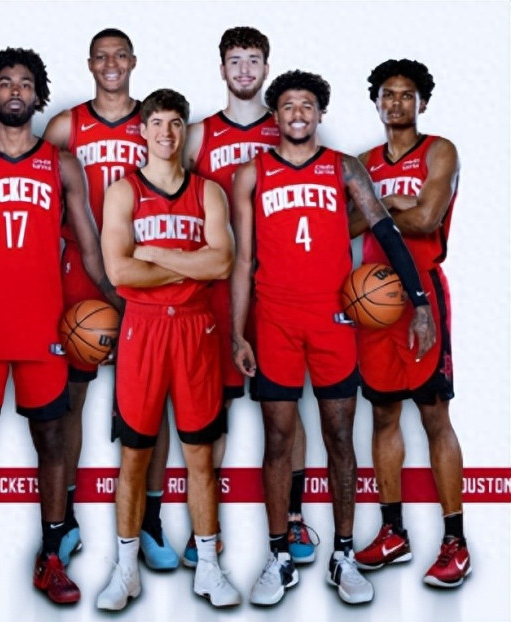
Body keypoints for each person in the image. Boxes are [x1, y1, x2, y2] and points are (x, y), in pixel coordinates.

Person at [231, 70, 436, 606]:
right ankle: (279, 554)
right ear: (275, 116)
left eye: (307, 105)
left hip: (333, 320)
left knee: (340, 436)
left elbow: (386, 229)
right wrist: (237, 332)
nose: (297, 113)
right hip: (275, 320)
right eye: (287, 105)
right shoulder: (252, 174)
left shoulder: (344, 168)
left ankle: (343, 553)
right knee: (278, 438)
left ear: (320, 113)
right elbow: (243, 261)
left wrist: (418, 302)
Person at [0, 48, 114, 606]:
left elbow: (89, 250)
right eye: (5, 83)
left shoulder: (61, 165)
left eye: (25, 83)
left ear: (38, 96)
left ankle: (52, 557)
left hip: (44, 331)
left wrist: (121, 304)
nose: (15, 90)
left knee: (53, 441)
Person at [97, 89, 241, 610]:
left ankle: (208, 568)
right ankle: (125, 570)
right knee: (134, 456)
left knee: (200, 455)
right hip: (144, 329)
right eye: (156, 123)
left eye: (175, 123)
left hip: (198, 331)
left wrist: (155, 252)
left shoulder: (209, 191)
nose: (166, 133)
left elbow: (222, 263)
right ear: (142, 130)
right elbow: (120, 271)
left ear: (185, 130)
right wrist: (189, 262)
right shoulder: (123, 192)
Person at [43, 28, 179, 571]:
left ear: (133, 61)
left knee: (151, 402)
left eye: (120, 55)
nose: (111, 64)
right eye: (101, 56)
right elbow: (41, 197)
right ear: (90, 64)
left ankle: (149, 519)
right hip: (80, 273)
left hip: (142, 271)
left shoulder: (154, 122)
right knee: (70, 402)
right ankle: (66, 517)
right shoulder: (65, 125)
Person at [183, 25, 317, 568]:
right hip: (216, 290)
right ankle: (205, 526)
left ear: (266, 67)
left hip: (277, 287)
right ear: (222, 69)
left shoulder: (285, 124)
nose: (244, 69)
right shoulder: (199, 134)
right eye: (235, 60)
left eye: (253, 60)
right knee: (210, 408)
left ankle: (294, 515)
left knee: (285, 408)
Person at [351, 59, 469, 588]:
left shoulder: (440, 151)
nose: (396, 102)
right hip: (374, 300)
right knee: (383, 416)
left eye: (406, 94)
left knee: (434, 415)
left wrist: (382, 207)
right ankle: (393, 531)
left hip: (424, 294)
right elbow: (344, 225)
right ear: (376, 101)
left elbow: (427, 217)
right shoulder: (362, 161)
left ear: (421, 101)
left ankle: (455, 540)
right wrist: (394, 201)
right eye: (388, 94)